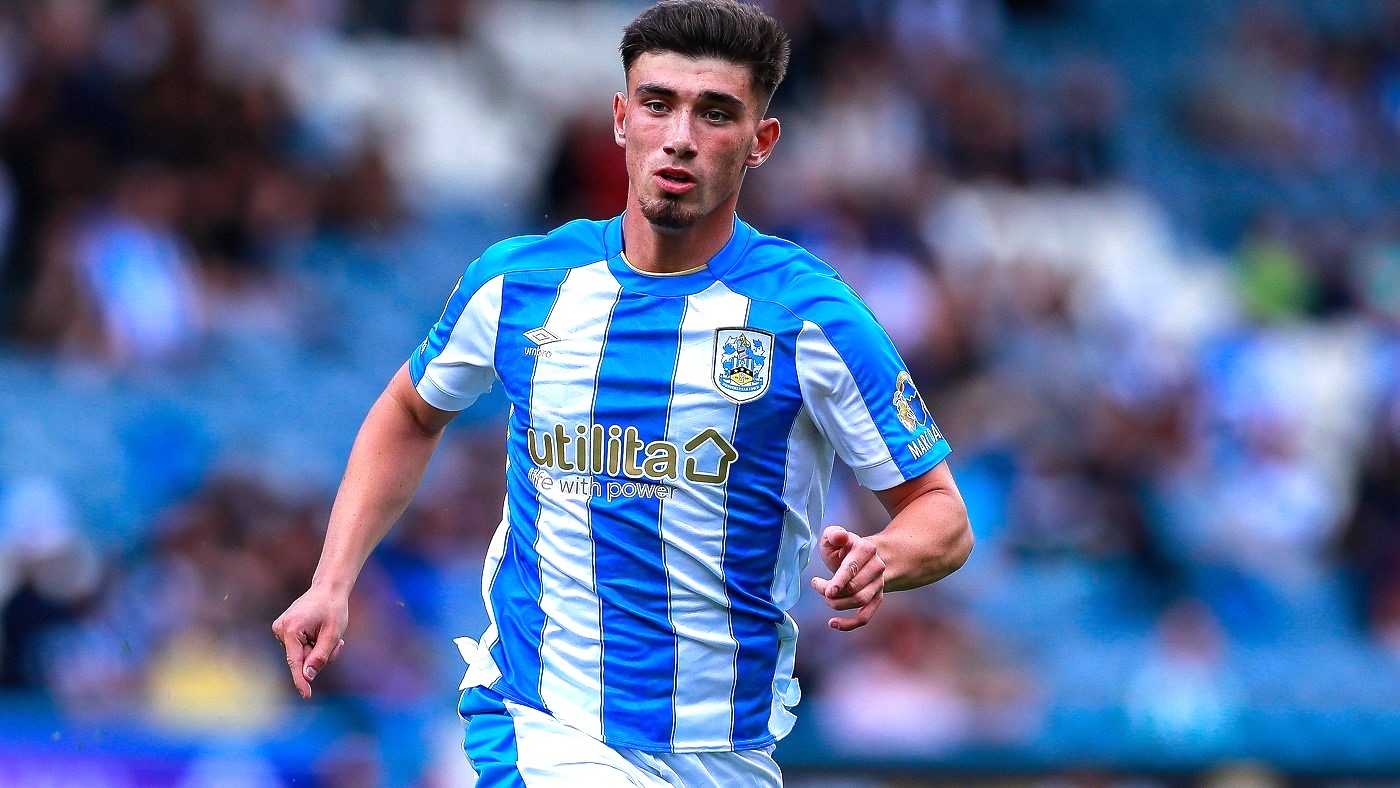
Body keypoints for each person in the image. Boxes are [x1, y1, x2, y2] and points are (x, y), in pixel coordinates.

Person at [272, 1, 973, 784]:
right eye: (658, 104)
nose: (680, 136)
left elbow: (941, 514)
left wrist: (885, 556)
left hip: (727, 752)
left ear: (761, 141)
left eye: (715, 113)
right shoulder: (521, 283)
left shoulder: (812, 318)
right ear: (620, 119)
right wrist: (332, 581)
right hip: (543, 724)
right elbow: (410, 409)